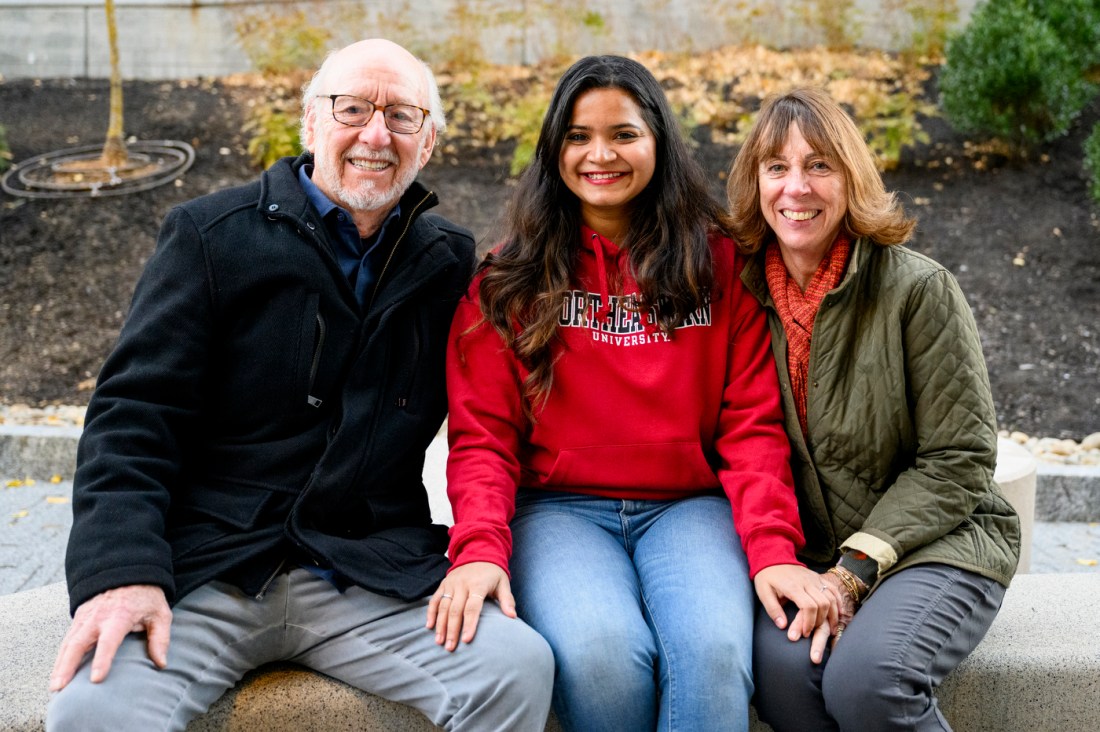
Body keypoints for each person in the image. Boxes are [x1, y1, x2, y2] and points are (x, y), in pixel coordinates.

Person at [46, 38, 553, 732]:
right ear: (311, 122)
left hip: (365, 571)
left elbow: (498, 406)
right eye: (352, 109)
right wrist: (120, 570)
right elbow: (134, 414)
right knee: (91, 708)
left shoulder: (446, 263)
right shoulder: (210, 236)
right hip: (212, 567)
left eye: (402, 116)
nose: (376, 133)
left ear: (427, 142)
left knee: (515, 667)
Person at [426, 55, 835, 732]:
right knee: (602, 656)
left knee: (712, 652)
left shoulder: (720, 264)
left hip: (689, 507)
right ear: (554, 149)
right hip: (558, 512)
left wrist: (773, 550)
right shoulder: (508, 280)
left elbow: (751, 426)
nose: (600, 154)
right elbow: (483, 438)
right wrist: (478, 550)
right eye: (579, 136)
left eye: (622, 133)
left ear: (658, 142)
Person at [726, 86, 1021, 731]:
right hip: (809, 557)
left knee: (871, 681)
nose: (795, 188)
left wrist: (853, 572)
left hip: (935, 544)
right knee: (779, 677)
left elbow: (959, 459)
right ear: (755, 183)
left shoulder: (917, 289)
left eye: (818, 166)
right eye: (777, 167)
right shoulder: (735, 294)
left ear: (851, 178)